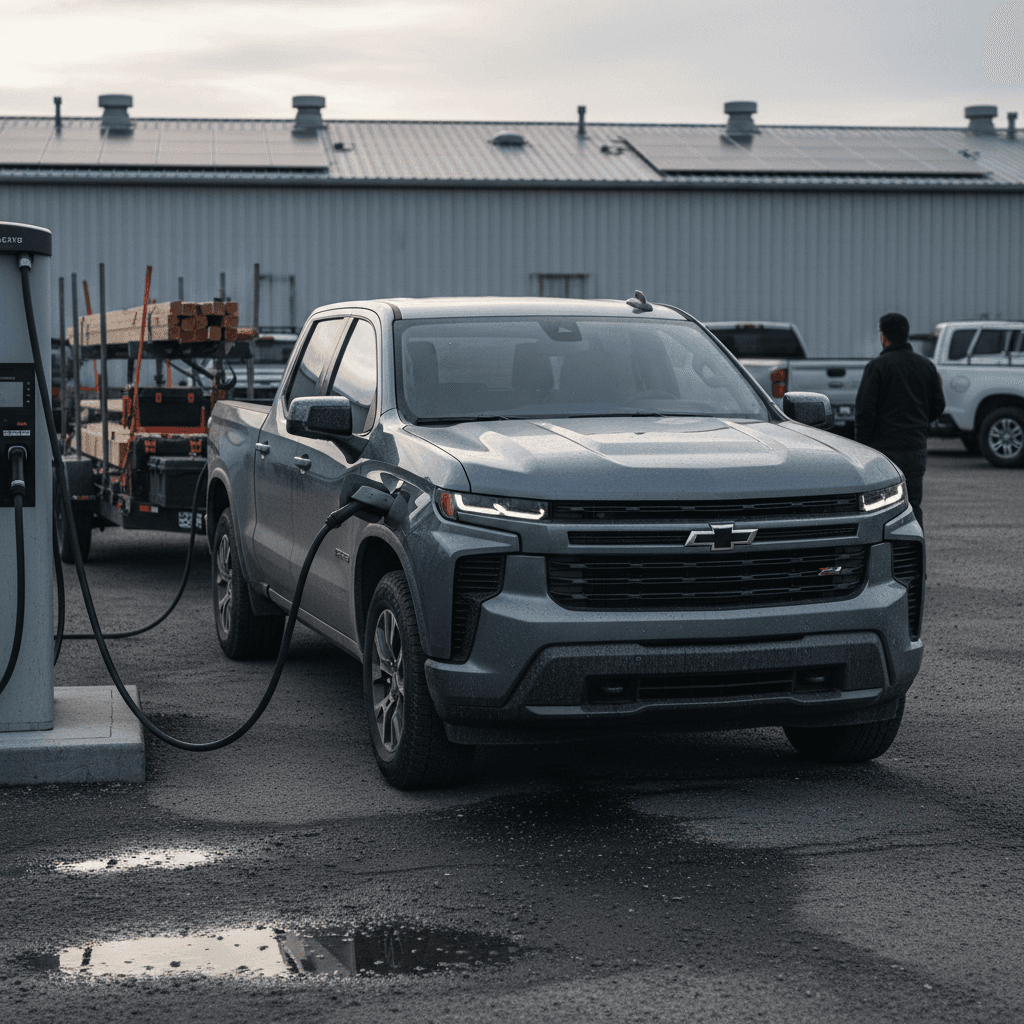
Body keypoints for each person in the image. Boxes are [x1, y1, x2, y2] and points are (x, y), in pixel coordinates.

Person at [855, 312, 945, 528]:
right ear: (906, 335)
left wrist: (862, 448)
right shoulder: (926, 366)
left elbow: (865, 412)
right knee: (913, 504)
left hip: (884, 451)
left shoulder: (877, 367)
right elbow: (938, 405)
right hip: (915, 447)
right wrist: (920, 422)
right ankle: (914, 544)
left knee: (882, 508)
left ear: (884, 336)